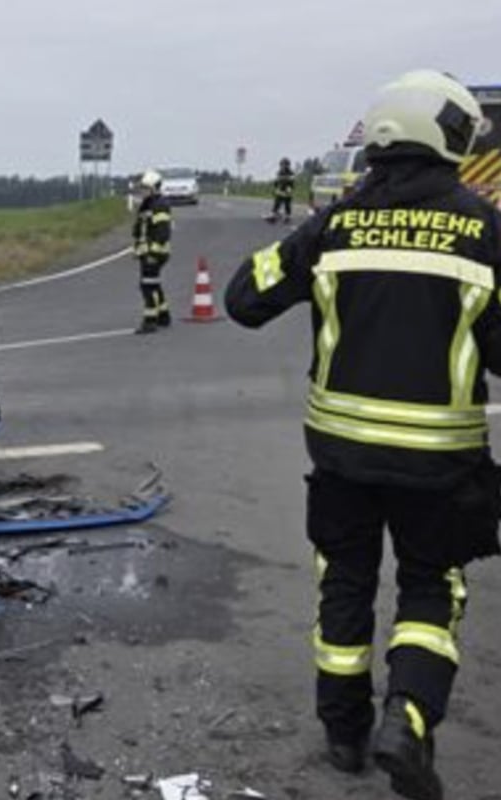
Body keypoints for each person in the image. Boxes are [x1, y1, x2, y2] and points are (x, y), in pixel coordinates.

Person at [225, 69, 501, 800]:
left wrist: (310, 243)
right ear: (448, 137)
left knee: (343, 581)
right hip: (440, 462)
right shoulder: (485, 229)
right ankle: (407, 719)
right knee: (431, 586)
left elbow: (244, 298)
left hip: (340, 455)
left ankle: (343, 735)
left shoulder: (336, 224)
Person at [132, 169, 172, 334]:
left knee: (147, 286)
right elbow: (140, 229)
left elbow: (162, 232)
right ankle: (163, 315)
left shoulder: (159, 205)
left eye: (146, 188)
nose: (143, 191)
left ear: (155, 188)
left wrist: (152, 255)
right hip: (147, 252)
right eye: (143, 188)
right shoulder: (147, 204)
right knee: (153, 284)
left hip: (155, 253)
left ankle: (150, 321)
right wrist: (138, 248)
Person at [271, 157, 295, 223]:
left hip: (288, 189)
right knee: (277, 202)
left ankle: (288, 216)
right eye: (282, 164)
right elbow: (276, 181)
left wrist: (289, 188)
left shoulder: (291, 172)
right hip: (280, 189)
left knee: (287, 203)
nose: (283, 166)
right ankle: (274, 214)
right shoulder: (279, 172)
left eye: (284, 164)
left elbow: (291, 181)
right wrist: (275, 188)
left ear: (288, 165)